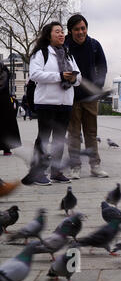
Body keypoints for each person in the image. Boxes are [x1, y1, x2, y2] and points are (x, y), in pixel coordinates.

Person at [28, 21, 81, 185]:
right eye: (57, 32)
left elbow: (79, 79)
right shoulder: (41, 53)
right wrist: (59, 76)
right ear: (48, 35)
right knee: (43, 137)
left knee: (59, 138)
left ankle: (56, 171)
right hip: (46, 102)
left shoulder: (68, 53)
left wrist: (73, 78)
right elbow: (35, 75)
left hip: (65, 102)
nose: (61, 34)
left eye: (62, 31)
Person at [64, 14, 108, 179]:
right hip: (71, 96)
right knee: (74, 133)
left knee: (91, 132)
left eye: (83, 28)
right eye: (77, 29)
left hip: (90, 98)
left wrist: (97, 87)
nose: (81, 32)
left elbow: (102, 67)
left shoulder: (94, 45)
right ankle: (75, 167)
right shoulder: (64, 45)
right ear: (70, 31)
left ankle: (95, 166)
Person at [0, 62, 21, 156]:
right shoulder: (5, 70)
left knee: (6, 123)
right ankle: (6, 148)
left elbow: (2, 84)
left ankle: (6, 147)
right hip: (5, 100)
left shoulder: (4, 71)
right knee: (7, 124)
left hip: (4, 100)